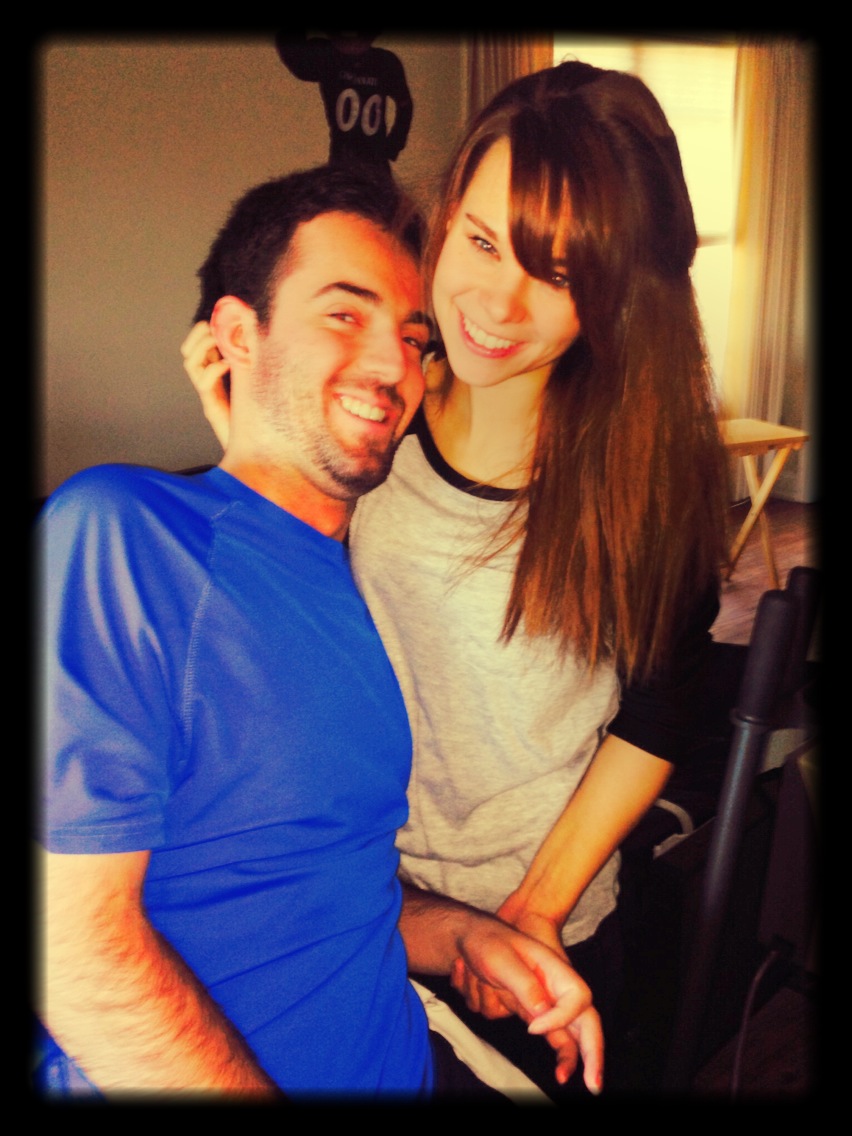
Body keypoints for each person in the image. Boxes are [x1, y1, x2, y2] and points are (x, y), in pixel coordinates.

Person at [182, 60, 730, 1095]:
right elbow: (270, 624)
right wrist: (252, 456)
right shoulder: (370, 405)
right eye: (481, 242)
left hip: (531, 923)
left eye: (557, 274)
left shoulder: (646, 477)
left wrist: (533, 910)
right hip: (351, 897)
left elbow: (658, 713)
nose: (497, 304)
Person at [34, 164, 604, 1101]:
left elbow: (329, 891)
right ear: (235, 334)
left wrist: (464, 935)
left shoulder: (351, 586)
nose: (393, 365)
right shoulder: (124, 533)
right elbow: (71, 949)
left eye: (414, 339)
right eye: (344, 313)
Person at [276, 31, 413, 183]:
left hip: (367, 163)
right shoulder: (328, 56)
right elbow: (405, 105)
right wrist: (394, 145)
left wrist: (394, 144)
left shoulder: (385, 62)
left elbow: (405, 104)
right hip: (348, 161)